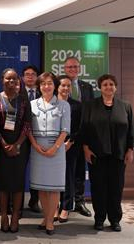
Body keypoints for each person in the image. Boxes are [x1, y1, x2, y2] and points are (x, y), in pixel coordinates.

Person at [82, 74, 134, 232]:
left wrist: (130, 150)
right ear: (100, 88)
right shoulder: (90, 106)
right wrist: (85, 149)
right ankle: (99, 219)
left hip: (118, 155)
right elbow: (84, 129)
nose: (108, 87)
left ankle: (115, 220)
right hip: (96, 155)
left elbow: (131, 129)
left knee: (116, 188)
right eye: (105, 84)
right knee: (98, 188)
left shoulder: (125, 106)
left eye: (111, 84)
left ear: (116, 87)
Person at [27, 72, 70, 235]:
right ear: (39, 86)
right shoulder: (32, 104)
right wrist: (35, 145)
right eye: (43, 83)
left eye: (50, 83)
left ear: (55, 86)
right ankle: (46, 217)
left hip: (56, 151)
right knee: (42, 188)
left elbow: (65, 130)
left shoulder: (63, 105)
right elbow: (28, 128)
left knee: (53, 188)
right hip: (37, 149)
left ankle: (50, 221)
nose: (46, 86)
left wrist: (55, 148)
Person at [0, 68, 31, 233]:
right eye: (8, 79)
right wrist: (3, 144)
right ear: (2, 80)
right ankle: (3, 215)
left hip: (20, 148)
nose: (11, 82)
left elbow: (27, 124)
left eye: (14, 79)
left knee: (17, 183)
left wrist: (17, 144)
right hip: (1, 149)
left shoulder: (24, 100)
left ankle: (15, 216)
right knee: (2, 182)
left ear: (18, 81)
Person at [64, 56, 94, 217]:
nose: (72, 70)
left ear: (79, 68)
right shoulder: (59, 85)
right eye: (69, 67)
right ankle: (64, 203)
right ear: (64, 69)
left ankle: (80, 201)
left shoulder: (87, 87)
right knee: (66, 171)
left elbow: (90, 112)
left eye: (75, 67)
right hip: (64, 137)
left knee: (80, 170)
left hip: (82, 136)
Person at [55, 75, 83, 222]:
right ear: (57, 87)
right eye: (63, 85)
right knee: (53, 177)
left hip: (70, 147)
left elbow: (79, 127)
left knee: (68, 176)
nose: (65, 88)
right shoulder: (52, 103)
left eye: (68, 86)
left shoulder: (77, 105)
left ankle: (66, 207)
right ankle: (54, 206)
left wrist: (69, 142)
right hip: (53, 146)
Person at [21, 64, 41, 213]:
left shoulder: (44, 93)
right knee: (18, 171)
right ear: (22, 77)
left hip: (38, 138)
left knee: (37, 170)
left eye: (33, 74)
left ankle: (34, 201)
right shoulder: (16, 92)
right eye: (27, 74)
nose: (30, 76)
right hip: (20, 139)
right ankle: (15, 203)